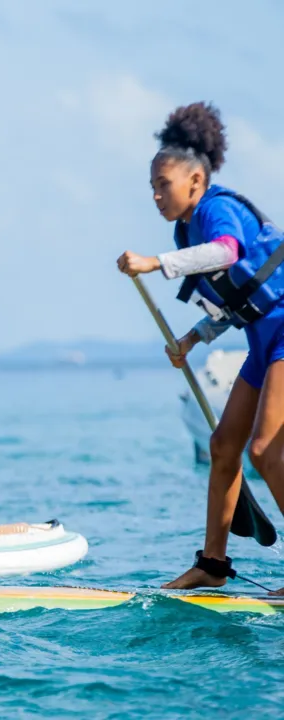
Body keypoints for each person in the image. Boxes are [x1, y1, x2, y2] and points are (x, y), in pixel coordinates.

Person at [117, 102, 284, 591]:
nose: (155, 195)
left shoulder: (216, 210)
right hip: (262, 340)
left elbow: (228, 253)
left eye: (163, 185)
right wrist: (193, 338)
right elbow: (235, 300)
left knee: (266, 449)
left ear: (195, 180)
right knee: (223, 445)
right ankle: (212, 566)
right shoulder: (185, 228)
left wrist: (155, 262)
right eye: (151, 187)